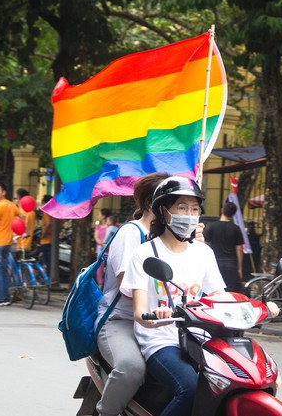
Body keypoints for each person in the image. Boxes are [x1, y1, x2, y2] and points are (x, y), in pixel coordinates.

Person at [121, 176, 227, 416]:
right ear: (163, 210)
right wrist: (158, 315)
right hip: (160, 340)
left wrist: (255, 307)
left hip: (198, 337)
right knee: (191, 389)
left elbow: (220, 295)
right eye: (182, 207)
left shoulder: (203, 253)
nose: (189, 214)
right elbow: (139, 314)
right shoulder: (145, 253)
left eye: (194, 208)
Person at [94, 172, 168, 416]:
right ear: (151, 204)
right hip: (122, 321)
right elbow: (127, 286)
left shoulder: (174, 239)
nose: (179, 211)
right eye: (173, 203)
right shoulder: (131, 233)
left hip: (165, 322)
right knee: (131, 367)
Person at [204, 201, 244, 292]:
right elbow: (239, 249)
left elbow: (204, 244)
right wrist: (240, 268)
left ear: (222, 210)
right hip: (231, 265)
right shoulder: (236, 229)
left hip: (215, 263)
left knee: (214, 292)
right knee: (230, 292)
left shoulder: (211, 226)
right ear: (233, 214)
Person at [14, 188, 35, 252]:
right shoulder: (32, 212)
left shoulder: (20, 214)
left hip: (20, 244)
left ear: (20, 200)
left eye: (15, 198)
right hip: (27, 244)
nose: (14, 201)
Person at [39, 194, 53, 275]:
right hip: (53, 240)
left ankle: (49, 279)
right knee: (51, 262)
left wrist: (43, 234)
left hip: (46, 241)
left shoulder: (46, 211)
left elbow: (48, 223)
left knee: (47, 262)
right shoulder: (54, 211)